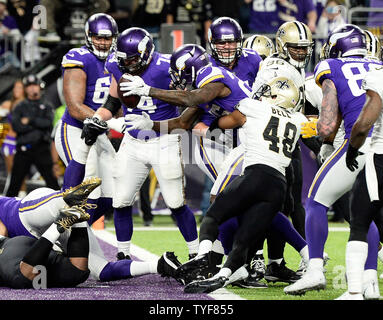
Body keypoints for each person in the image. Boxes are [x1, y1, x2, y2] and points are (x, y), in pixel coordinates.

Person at [121, 43, 311, 287]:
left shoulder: (212, 77)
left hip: (250, 145)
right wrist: (151, 125)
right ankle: (244, 263)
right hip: (245, 143)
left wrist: (148, 90)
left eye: (179, 73)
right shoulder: (210, 84)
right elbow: (182, 122)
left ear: (189, 68)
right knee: (244, 205)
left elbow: (193, 97)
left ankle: (227, 262)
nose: (177, 80)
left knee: (224, 203)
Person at [177, 76, 307, 294]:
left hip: (255, 174)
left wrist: (206, 121)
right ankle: (226, 274)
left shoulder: (253, 107)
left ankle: (202, 257)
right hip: (278, 185)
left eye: (269, 93)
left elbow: (224, 124)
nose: (264, 95)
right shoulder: (298, 119)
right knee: (245, 239)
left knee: (213, 215)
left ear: (276, 97)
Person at [81, 27, 200, 261]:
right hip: (133, 141)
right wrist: (98, 117)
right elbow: (114, 99)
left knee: (175, 202)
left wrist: (152, 94)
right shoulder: (117, 64)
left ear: (146, 53)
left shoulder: (167, 65)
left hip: (164, 138)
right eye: (124, 59)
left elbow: (190, 97)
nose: (128, 64)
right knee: (121, 200)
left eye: (133, 59)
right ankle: (123, 254)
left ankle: (196, 254)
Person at [284, 24, 383, 298]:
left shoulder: (330, 66)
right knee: (365, 213)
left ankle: (314, 269)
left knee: (316, 201)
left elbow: (327, 125)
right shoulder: (379, 67)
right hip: (381, 149)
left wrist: (317, 133)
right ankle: (369, 282)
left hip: (360, 143)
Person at [0, 176, 180, 285]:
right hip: (52, 229)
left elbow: (3, 233)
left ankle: (68, 200)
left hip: (23, 216)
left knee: (43, 210)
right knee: (100, 271)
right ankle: (159, 265)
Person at [54, 13, 119, 243]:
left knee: (114, 193)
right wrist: (111, 121)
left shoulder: (117, 60)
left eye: (107, 37)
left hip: (98, 131)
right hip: (74, 131)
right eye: (97, 37)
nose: (103, 42)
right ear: (88, 36)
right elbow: (74, 107)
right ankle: (56, 234)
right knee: (86, 186)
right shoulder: (77, 57)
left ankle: (73, 234)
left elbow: (118, 100)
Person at [336, 67, 383, 300]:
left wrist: (352, 149)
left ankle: (355, 291)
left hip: (381, 157)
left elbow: (364, 123)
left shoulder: (378, 75)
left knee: (360, 221)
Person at [5, 74, 60, 197]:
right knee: (14, 184)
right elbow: (17, 126)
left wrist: (29, 121)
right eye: (29, 86)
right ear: (26, 89)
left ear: (39, 87)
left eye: (34, 85)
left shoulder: (47, 105)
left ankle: (60, 209)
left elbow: (47, 123)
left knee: (53, 183)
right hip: (23, 149)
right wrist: (37, 123)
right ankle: (5, 213)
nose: (32, 89)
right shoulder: (20, 106)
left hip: (42, 149)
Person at [0, 79, 28, 196]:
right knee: (12, 173)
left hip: (23, 143)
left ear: (24, 90)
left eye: (19, 88)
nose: (16, 90)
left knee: (22, 174)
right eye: (15, 87)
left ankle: (22, 198)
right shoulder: (8, 104)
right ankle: (10, 199)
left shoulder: (28, 104)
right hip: (9, 142)